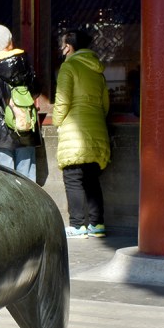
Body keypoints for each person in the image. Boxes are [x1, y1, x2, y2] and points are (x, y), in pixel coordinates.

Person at [51, 28, 110, 238]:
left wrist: (57, 122)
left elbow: (62, 100)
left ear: (69, 47)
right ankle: (97, 224)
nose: (61, 49)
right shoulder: (97, 69)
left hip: (74, 130)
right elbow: (105, 104)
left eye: (63, 45)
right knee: (92, 178)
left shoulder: (69, 67)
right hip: (97, 129)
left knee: (73, 178)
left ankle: (77, 226)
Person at [0, 23, 41, 180]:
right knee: (27, 176)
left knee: (4, 177)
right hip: (25, 124)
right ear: (9, 41)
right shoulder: (25, 64)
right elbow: (36, 91)